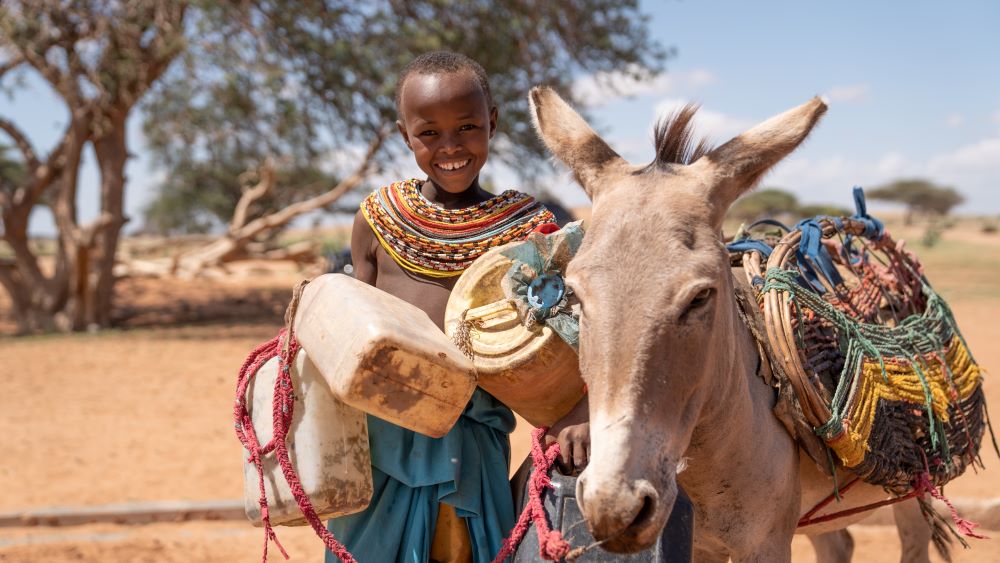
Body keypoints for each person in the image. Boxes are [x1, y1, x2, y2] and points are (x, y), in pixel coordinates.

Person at [327, 51, 590, 563]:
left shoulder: (530, 230)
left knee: (462, 549)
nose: (449, 147)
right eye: (429, 133)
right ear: (405, 134)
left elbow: (579, 335)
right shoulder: (379, 218)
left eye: (467, 127)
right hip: (380, 440)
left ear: (493, 123)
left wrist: (578, 410)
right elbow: (350, 331)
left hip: (471, 442)